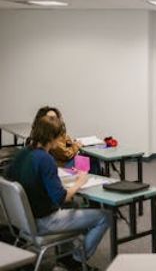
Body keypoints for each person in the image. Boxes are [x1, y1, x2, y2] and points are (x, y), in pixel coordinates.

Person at [6, 115, 109, 271]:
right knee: (104, 217)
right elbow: (61, 198)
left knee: (73, 206)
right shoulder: (45, 159)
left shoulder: (22, 154)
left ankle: (65, 259)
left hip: (21, 221)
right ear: (52, 138)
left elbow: (11, 178)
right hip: (43, 222)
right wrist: (80, 182)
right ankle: (77, 261)